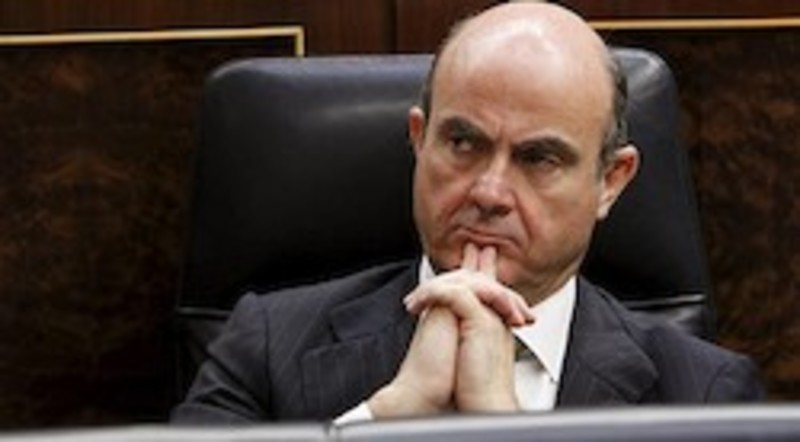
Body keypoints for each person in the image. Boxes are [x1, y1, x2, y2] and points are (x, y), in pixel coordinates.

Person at [172, 2, 762, 424]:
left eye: (539, 158)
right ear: (419, 139)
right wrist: (385, 419)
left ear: (610, 181)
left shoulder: (704, 395)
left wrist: (501, 427)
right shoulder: (267, 345)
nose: (489, 191)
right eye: (462, 143)